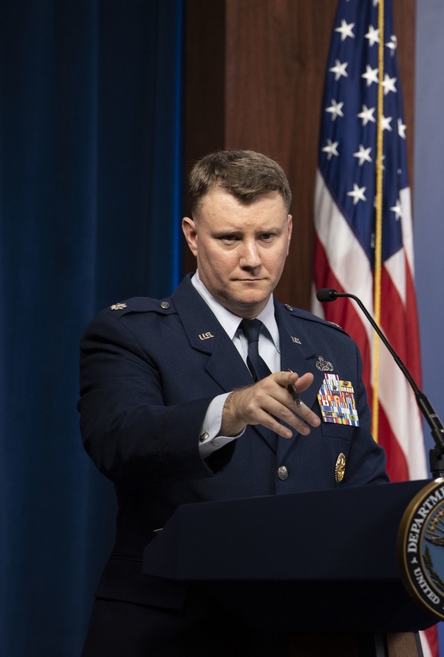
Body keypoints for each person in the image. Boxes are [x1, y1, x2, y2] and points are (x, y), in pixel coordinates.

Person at [78, 150, 389, 656]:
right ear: (192, 235)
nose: (251, 257)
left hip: (310, 634)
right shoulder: (131, 334)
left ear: (288, 232)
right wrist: (229, 411)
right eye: (229, 238)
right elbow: (118, 441)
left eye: (266, 236)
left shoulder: (331, 347)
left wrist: (395, 619)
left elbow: (363, 486)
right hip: (177, 634)